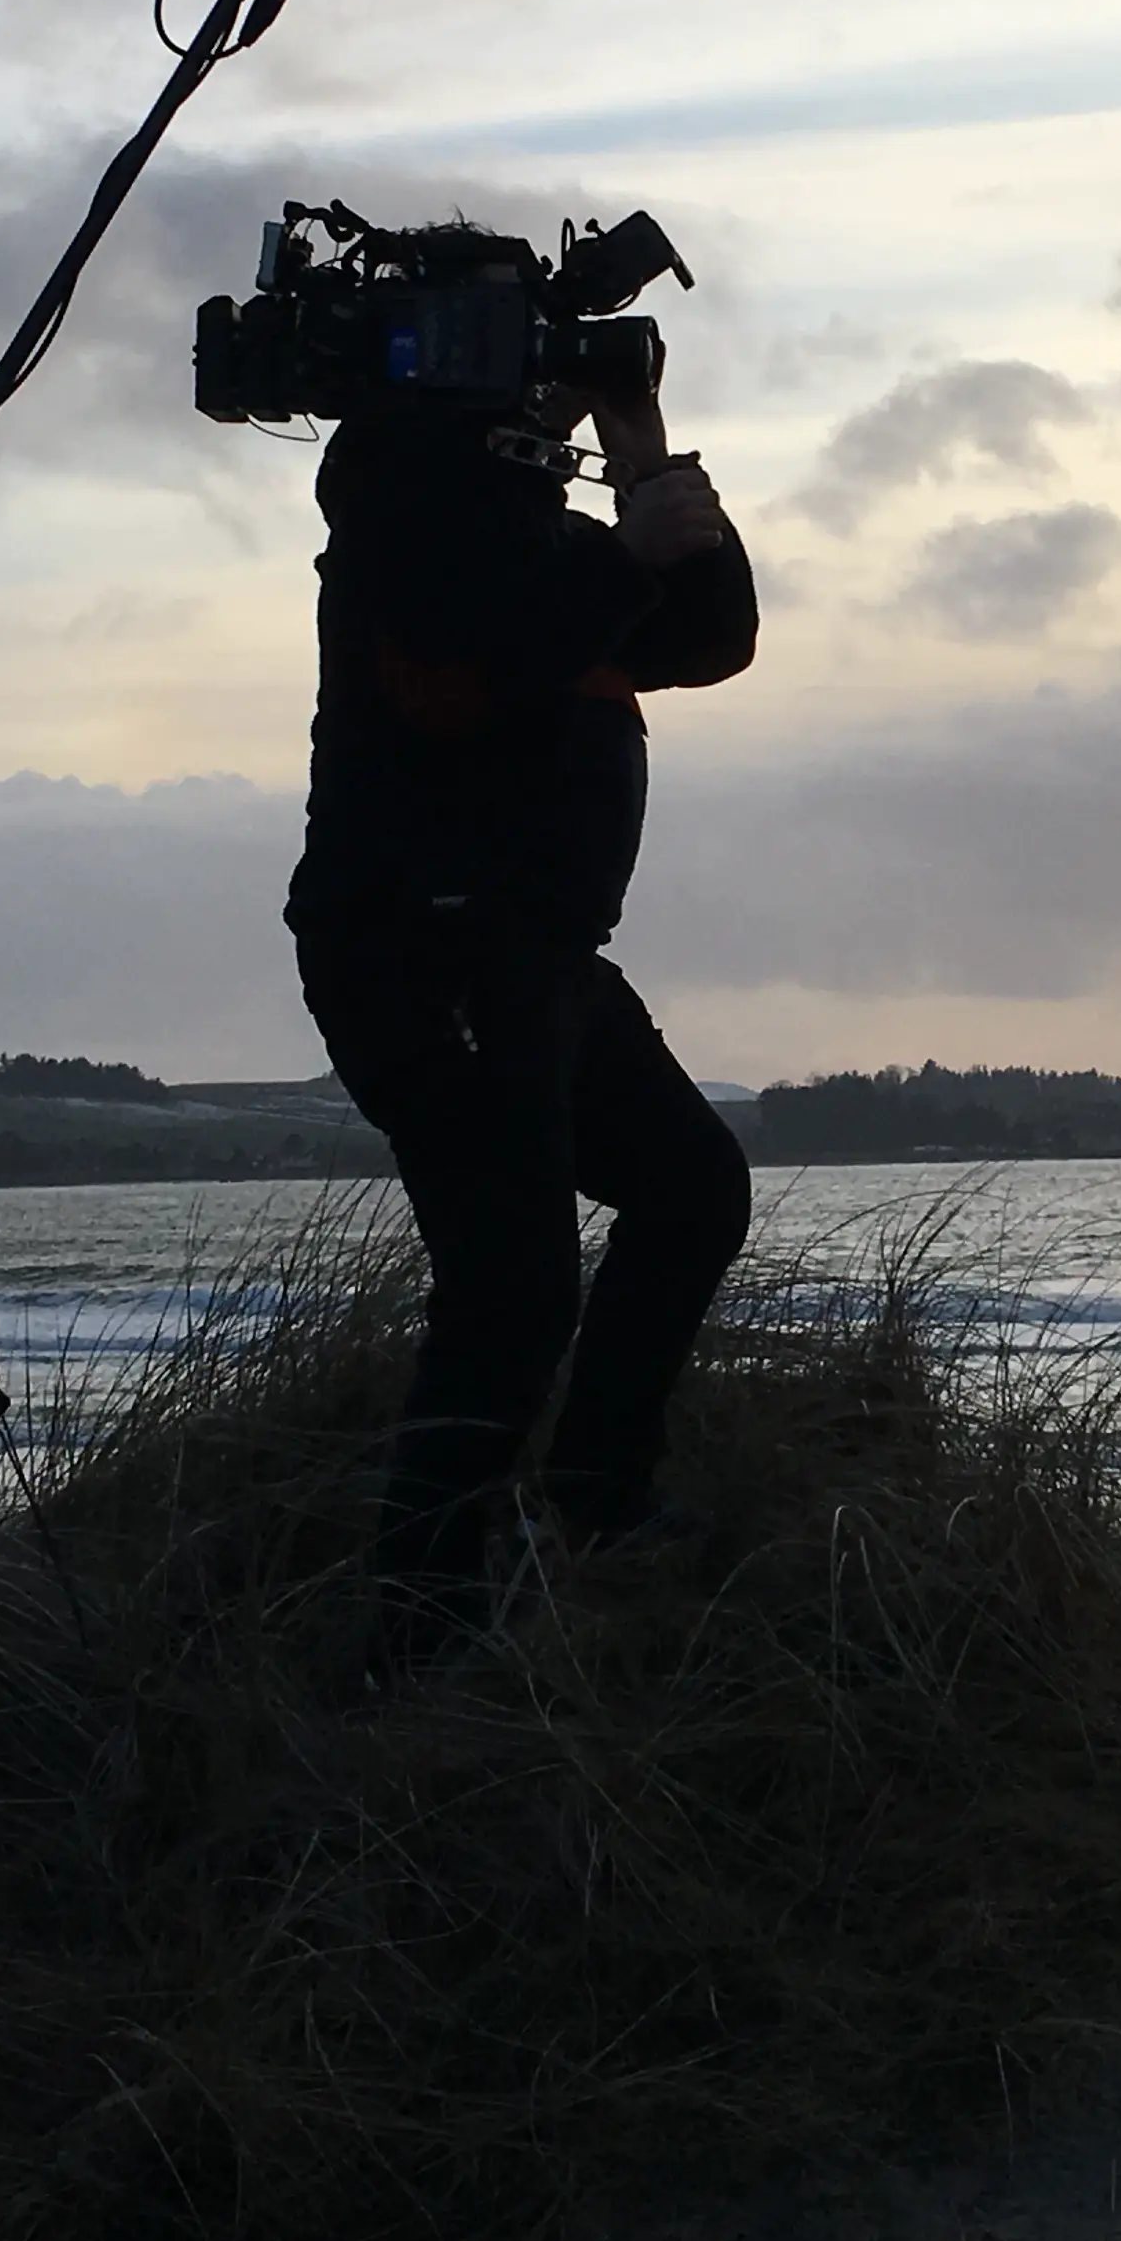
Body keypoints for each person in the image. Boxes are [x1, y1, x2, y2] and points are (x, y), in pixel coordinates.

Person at [283, 311, 757, 1664]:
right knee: (511, 1285)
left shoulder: (550, 538)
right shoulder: (400, 512)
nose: (549, 393)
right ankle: (421, 1627)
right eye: (529, 363)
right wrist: (618, 553)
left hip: (538, 957)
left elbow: (712, 637)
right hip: (421, 955)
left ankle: (596, 1499)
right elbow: (456, 679)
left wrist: (641, 453)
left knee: (689, 1189)